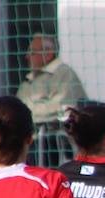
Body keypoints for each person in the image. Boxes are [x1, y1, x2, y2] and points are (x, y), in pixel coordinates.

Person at [17, 34, 86, 167]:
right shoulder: (28, 80)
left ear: (48, 54)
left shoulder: (65, 74)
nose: (27, 57)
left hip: (55, 143)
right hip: (29, 143)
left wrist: (28, 111)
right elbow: (17, 110)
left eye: (32, 52)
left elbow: (62, 108)